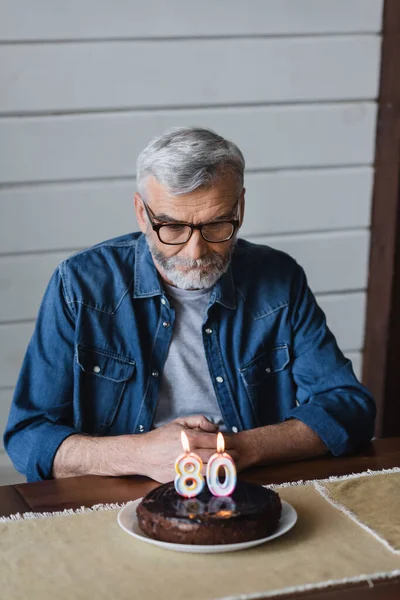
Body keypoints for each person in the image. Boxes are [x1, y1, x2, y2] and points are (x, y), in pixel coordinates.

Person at [4, 127, 376, 483]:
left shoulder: (280, 279)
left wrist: (237, 449)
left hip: (245, 485)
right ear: (141, 213)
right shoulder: (80, 284)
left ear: (240, 207)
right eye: (173, 227)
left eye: (216, 225)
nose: (195, 252)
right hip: (116, 494)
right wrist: (140, 454)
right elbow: (28, 438)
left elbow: (348, 407)